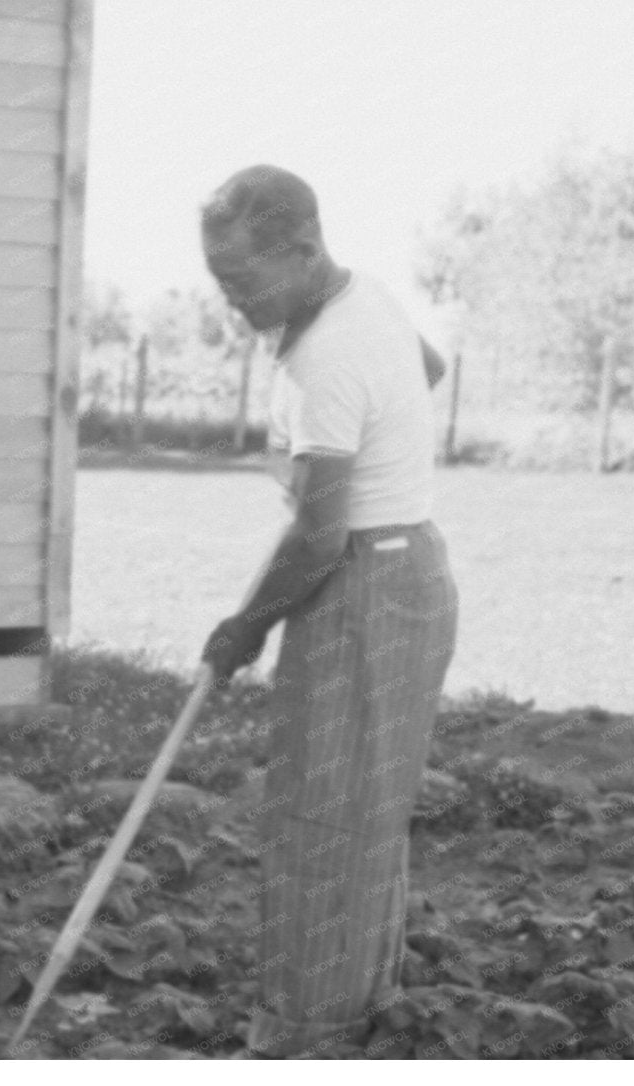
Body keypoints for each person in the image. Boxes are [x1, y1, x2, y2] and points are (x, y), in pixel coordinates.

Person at [197, 164, 459, 1058]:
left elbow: (315, 542)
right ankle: (352, 1008)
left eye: (242, 280)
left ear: (303, 250)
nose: (231, 301)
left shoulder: (325, 357)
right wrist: (370, 449)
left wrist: (243, 629)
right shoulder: (366, 300)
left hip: (363, 585)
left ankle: (305, 1040)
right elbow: (428, 366)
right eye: (219, 282)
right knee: (359, 813)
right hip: (404, 567)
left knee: (321, 820)